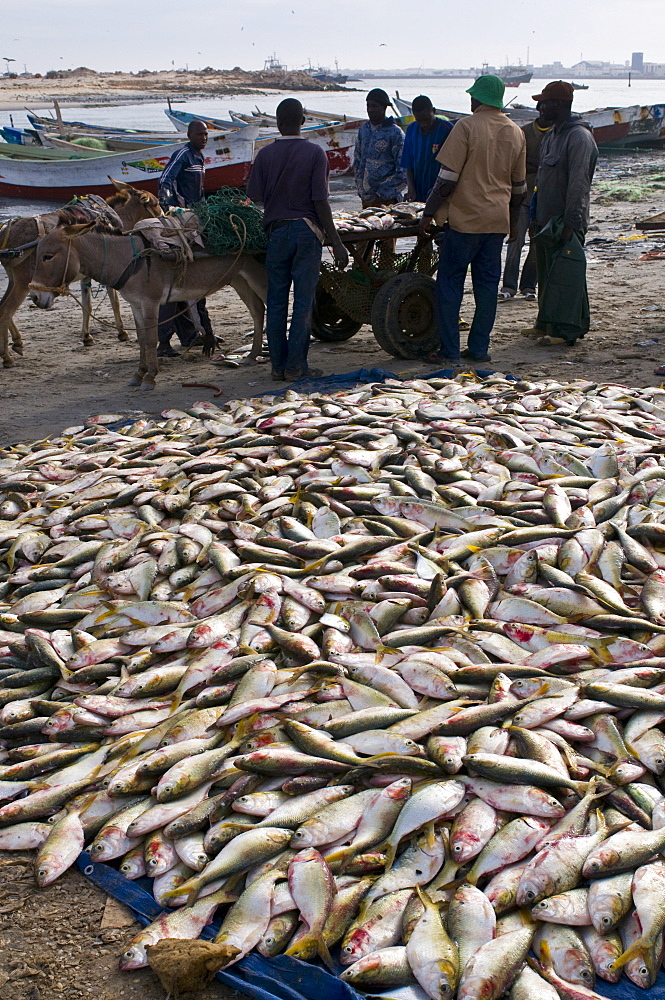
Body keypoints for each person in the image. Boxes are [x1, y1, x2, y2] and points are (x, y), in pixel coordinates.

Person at [420, 74, 526, 364]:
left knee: (450, 283)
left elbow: (446, 180)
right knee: (487, 287)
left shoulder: (465, 127)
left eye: (472, 95)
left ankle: (450, 350)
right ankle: (479, 348)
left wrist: (428, 213)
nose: (470, 100)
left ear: (478, 99)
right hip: (497, 222)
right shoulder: (516, 132)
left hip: (465, 222)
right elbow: (519, 188)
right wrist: (514, 222)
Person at [246, 98, 349, 381]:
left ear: (277, 123)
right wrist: (336, 242)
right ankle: (296, 367)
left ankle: (278, 366)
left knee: (276, 301)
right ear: (303, 121)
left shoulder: (264, 155)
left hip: (277, 233)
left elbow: (253, 196)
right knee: (303, 302)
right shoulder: (316, 153)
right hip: (306, 233)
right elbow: (321, 202)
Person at [529, 81, 598, 345]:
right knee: (547, 276)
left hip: (566, 221)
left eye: (544, 103)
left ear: (559, 104)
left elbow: (579, 184)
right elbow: (541, 183)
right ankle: (546, 324)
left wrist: (571, 222)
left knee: (566, 277)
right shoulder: (551, 135)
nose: (539, 108)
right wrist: (535, 217)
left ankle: (565, 331)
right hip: (546, 220)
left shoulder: (579, 137)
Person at [157, 119, 214, 357]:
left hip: (197, 219)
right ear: (189, 134)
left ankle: (192, 333)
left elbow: (198, 193)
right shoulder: (182, 154)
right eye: (200, 134)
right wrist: (172, 207)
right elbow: (165, 181)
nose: (204, 137)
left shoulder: (199, 158)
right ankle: (165, 341)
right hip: (182, 221)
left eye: (206, 134)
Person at [499, 104, 552, 300]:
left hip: (545, 199)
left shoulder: (556, 134)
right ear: (539, 109)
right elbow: (515, 164)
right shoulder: (524, 132)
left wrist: (533, 166)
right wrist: (541, 166)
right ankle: (509, 286)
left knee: (538, 245)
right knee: (515, 241)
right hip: (522, 196)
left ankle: (529, 286)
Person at [354, 89, 406, 208]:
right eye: (368, 106)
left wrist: (382, 194)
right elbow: (357, 159)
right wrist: (360, 188)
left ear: (384, 107)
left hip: (388, 200)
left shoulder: (395, 133)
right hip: (366, 198)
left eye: (374, 106)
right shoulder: (364, 130)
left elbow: (403, 170)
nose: (370, 110)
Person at [401, 96, 454, 202]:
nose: (423, 124)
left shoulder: (447, 130)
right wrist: (411, 189)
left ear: (433, 111)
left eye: (426, 119)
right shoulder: (411, 130)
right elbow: (408, 165)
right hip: (418, 195)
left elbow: (453, 167)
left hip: (441, 195)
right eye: (419, 121)